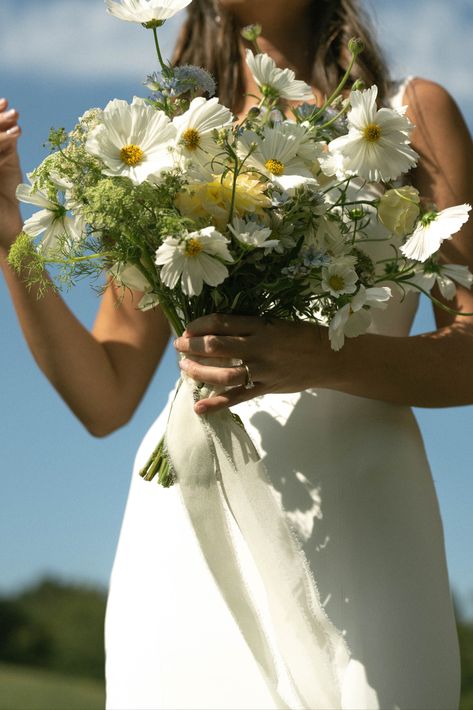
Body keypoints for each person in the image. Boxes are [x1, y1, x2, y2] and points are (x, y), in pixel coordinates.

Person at [1, 0, 472, 707]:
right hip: (187, 518)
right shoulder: (164, 142)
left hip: (356, 515)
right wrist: (7, 223)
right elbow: (104, 395)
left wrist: (321, 357)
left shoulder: (413, 111)